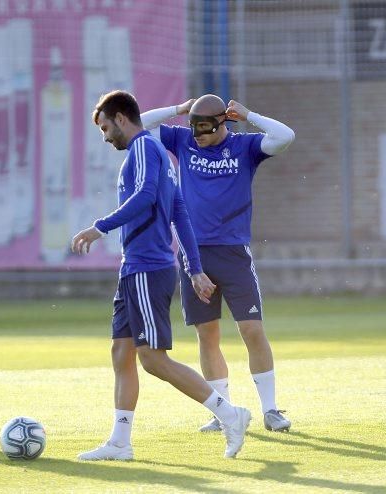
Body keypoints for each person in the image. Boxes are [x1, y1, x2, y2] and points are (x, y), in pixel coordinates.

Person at [71, 90, 252, 460]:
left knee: (153, 360)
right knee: (121, 352)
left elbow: (145, 196)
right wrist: (195, 268)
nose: (105, 137)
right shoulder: (156, 154)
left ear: (121, 119)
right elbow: (180, 212)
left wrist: (99, 227)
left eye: (106, 128)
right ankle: (120, 442)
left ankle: (230, 414)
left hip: (146, 268)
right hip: (134, 269)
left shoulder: (142, 149)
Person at [140, 95, 295, 433]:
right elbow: (140, 123)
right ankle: (223, 412)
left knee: (251, 329)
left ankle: (270, 409)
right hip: (194, 255)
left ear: (223, 122)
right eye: (194, 128)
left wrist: (250, 114)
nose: (199, 136)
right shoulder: (183, 139)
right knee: (207, 335)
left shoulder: (245, 147)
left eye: (206, 129)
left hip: (233, 252)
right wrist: (178, 110)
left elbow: (285, 136)